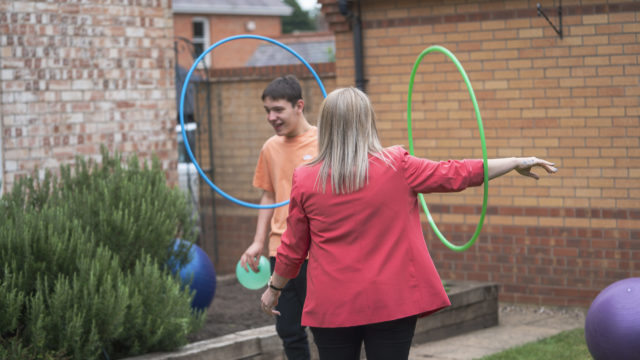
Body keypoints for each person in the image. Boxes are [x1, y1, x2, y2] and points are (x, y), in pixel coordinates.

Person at [260, 87, 558, 360]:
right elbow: (457, 173)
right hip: (391, 301)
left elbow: (293, 247)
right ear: (368, 122)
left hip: (332, 306)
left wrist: (275, 288)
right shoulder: (396, 164)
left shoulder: (306, 177)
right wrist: (515, 161)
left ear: (326, 125)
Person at [240, 75, 317, 360]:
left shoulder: (324, 141)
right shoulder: (270, 147)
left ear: (299, 106)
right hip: (280, 249)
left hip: (316, 250)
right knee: (288, 329)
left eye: (278, 110)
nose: (271, 117)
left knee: (325, 326)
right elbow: (269, 195)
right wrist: (257, 242)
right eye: (267, 111)